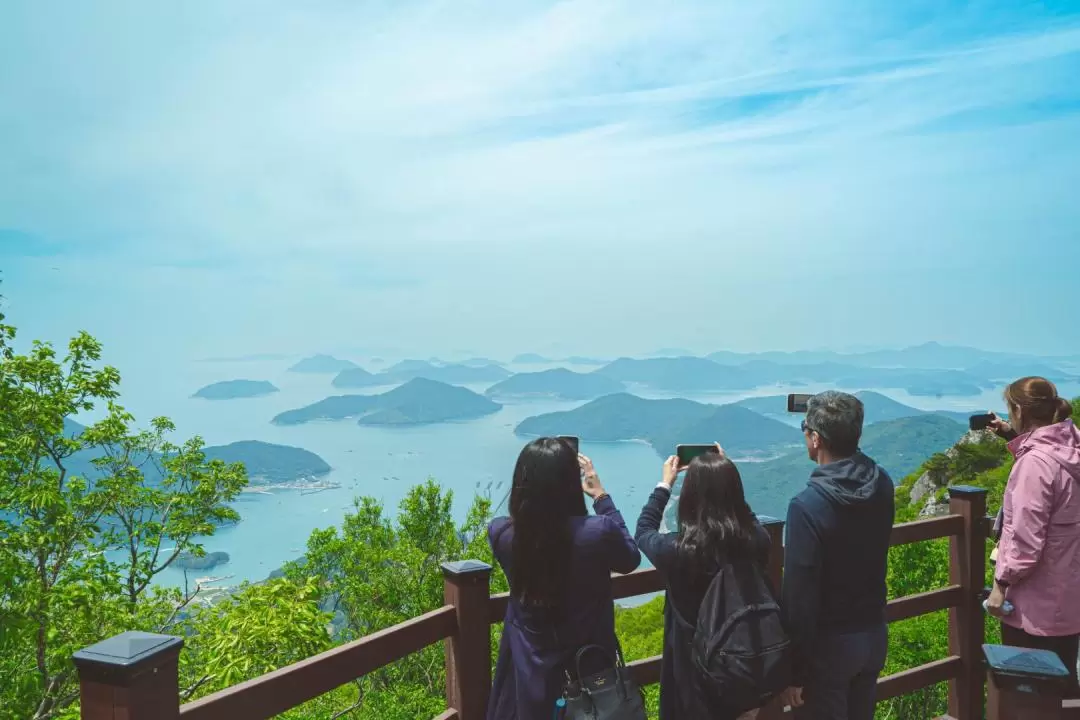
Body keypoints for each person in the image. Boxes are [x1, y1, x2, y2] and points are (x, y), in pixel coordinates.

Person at [487, 437, 642, 720]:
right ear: (571, 482)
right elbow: (630, 559)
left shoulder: (501, 534)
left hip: (527, 670)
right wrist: (601, 498)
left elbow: (542, 541)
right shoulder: (597, 533)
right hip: (589, 674)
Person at [780, 391, 895, 720]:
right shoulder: (882, 483)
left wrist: (795, 671)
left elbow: (799, 597)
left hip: (829, 647)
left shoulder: (807, 506)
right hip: (873, 633)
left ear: (815, 438)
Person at [635, 446, 771, 719]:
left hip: (691, 680)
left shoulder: (678, 550)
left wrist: (664, 484)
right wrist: (728, 481)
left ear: (689, 497)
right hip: (741, 670)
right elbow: (749, 518)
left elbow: (643, 530)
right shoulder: (756, 541)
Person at [984, 377, 1080, 696]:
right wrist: (1012, 437)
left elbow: (1024, 544)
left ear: (1018, 411)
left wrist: (1000, 588)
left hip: (1034, 608)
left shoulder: (1035, 465)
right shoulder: (1071, 446)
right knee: (1064, 694)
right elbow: (1050, 470)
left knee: (1029, 698)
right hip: (1068, 600)